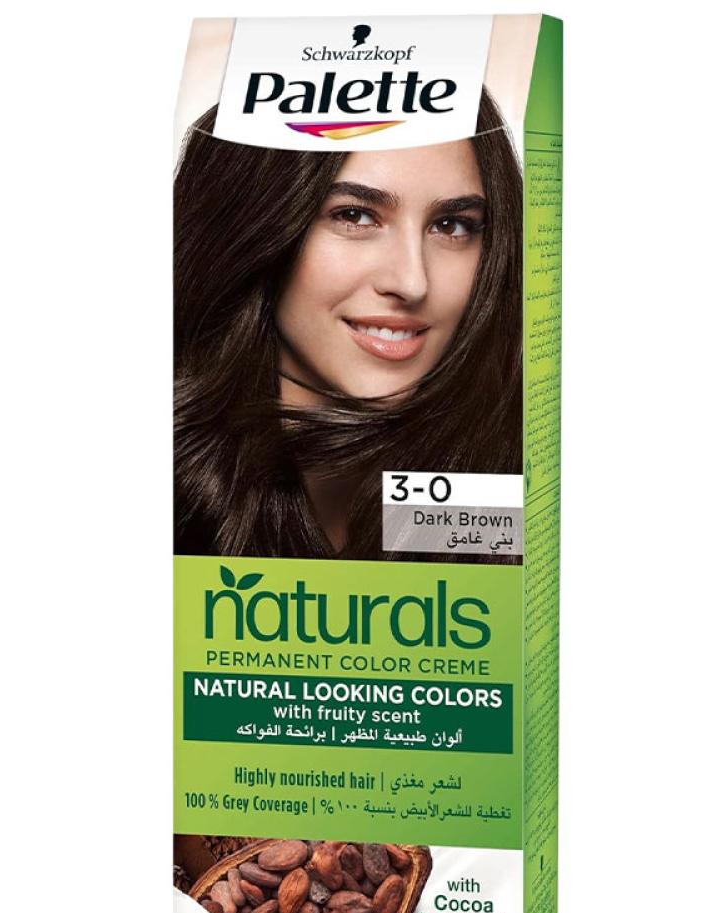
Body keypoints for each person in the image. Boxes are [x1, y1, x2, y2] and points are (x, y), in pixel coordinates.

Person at [174, 89, 522, 560]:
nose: (412, 281)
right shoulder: (176, 490)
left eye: (451, 226)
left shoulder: (508, 483)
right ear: (255, 224)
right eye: (354, 216)